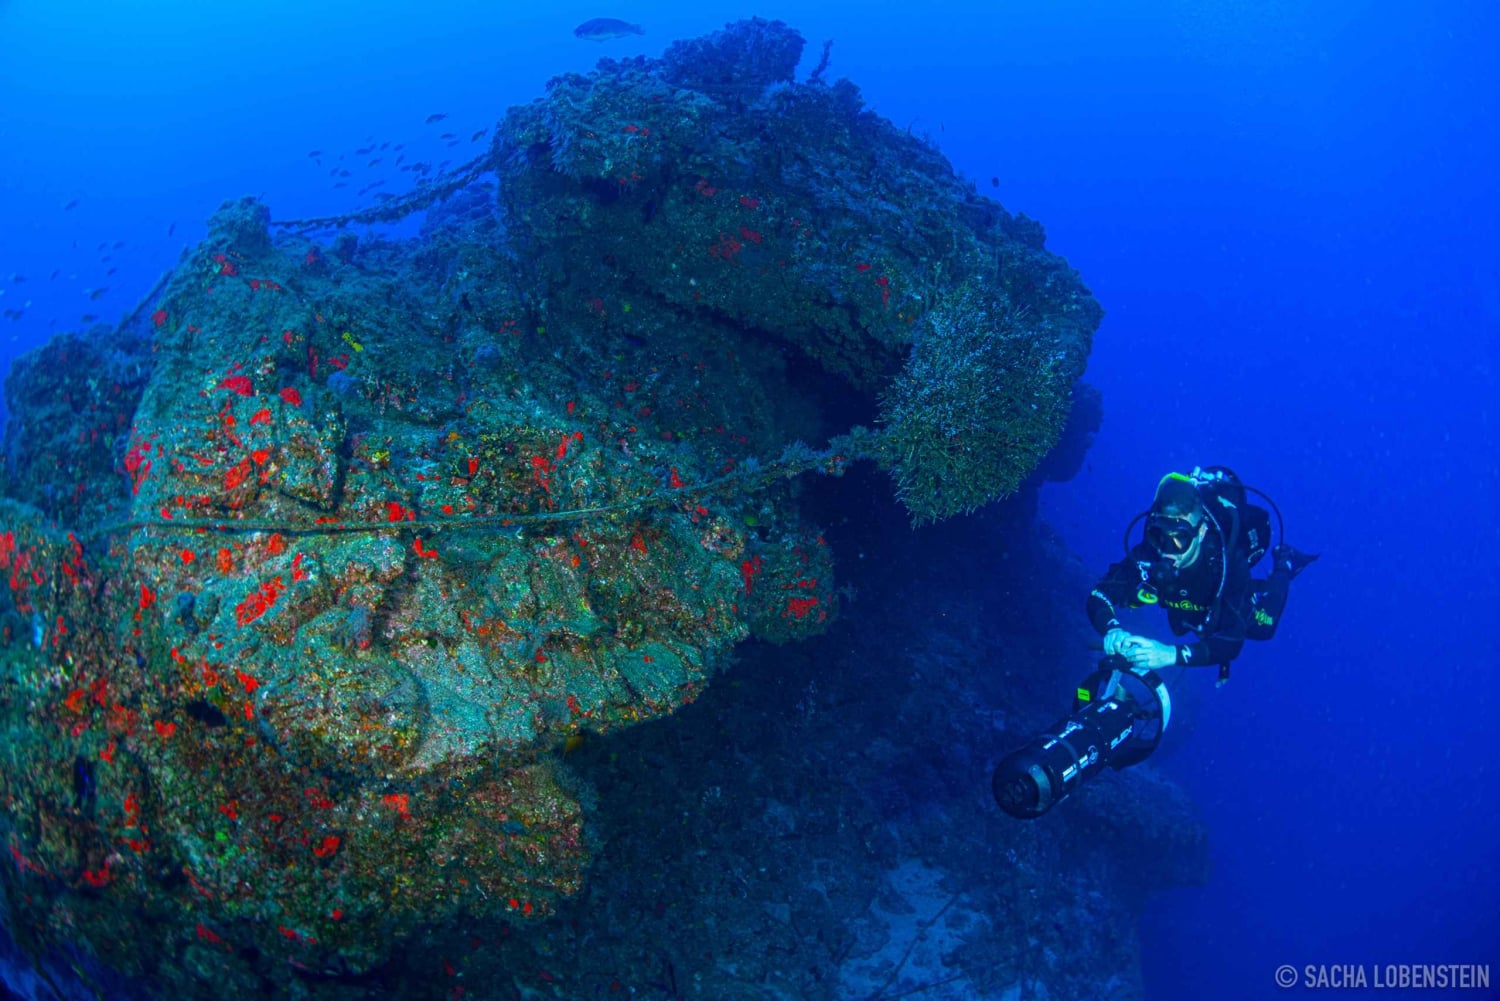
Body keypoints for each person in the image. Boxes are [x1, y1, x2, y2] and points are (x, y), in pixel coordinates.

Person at [1086, 468, 1317, 678]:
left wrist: (1169, 655)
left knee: (1263, 627)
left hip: (1223, 590)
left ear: (1201, 531)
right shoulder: (1150, 551)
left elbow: (1232, 641)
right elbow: (1100, 594)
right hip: (1189, 603)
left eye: (1180, 539)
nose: (1168, 551)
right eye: (1160, 536)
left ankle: (1285, 563)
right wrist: (1112, 629)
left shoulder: (1228, 563)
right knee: (1185, 620)